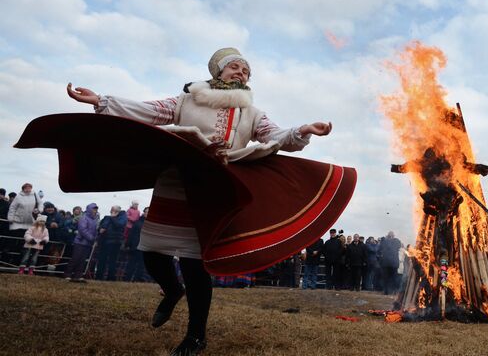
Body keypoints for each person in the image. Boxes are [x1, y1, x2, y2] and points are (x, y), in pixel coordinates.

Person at [66, 47, 337, 355]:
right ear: (217, 72)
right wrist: (103, 101)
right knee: (153, 255)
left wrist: (302, 130)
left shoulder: (252, 113)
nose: (241, 73)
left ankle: (196, 336)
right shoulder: (187, 100)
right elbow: (149, 112)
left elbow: (275, 136)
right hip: (176, 182)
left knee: (197, 265)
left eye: (246, 71)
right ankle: (171, 291)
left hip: (213, 187)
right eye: (234, 67)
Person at [3, 183, 43, 265]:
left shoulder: (35, 195)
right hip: (17, 222)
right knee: (11, 241)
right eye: (26, 188)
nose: (28, 189)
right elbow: (12, 207)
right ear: (23, 189)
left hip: (29, 224)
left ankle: (16, 262)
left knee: (23, 245)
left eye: (29, 188)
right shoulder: (18, 196)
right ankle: (5, 261)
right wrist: (10, 218)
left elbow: (40, 204)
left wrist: (39, 210)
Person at [64, 203, 99, 282]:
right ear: (90, 209)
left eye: (96, 209)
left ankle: (78, 275)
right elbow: (82, 230)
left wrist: (95, 237)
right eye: (94, 209)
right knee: (75, 258)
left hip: (88, 243)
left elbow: (95, 230)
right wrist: (91, 238)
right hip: (80, 242)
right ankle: (68, 274)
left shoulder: (95, 219)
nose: (95, 210)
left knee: (82, 260)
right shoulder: (84, 218)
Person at [95, 205, 127, 281]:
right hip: (104, 241)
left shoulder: (123, 217)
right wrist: (100, 229)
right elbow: (100, 226)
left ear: (118, 211)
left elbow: (119, 225)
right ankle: (99, 277)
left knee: (112, 260)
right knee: (102, 260)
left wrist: (113, 217)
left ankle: (110, 278)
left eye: (114, 210)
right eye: (111, 210)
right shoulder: (106, 217)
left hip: (115, 242)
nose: (112, 211)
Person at [124, 207, 148, 282]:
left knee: (141, 266)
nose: (148, 213)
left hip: (145, 248)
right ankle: (127, 279)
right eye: (147, 212)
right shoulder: (138, 222)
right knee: (131, 264)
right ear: (144, 212)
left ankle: (136, 280)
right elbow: (131, 234)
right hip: (135, 246)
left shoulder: (150, 224)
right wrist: (127, 244)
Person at [378, 231, 402, 295]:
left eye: (392, 235)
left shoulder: (397, 241)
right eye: (389, 235)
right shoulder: (384, 241)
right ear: (388, 235)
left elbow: (399, 246)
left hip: (394, 263)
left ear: (394, 235)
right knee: (385, 278)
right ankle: (386, 290)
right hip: (385, 263)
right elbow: (380, 249)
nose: (391, 236)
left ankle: (394, 291)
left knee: (394, 278)